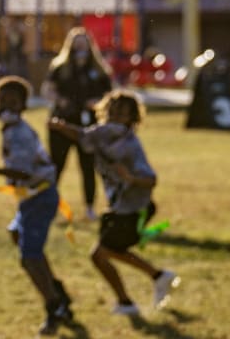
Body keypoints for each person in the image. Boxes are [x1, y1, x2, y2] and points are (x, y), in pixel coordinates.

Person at [49, 90, 178, 315]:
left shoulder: (129, 145)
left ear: (132, 119)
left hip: (133, 209)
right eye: (112, 112)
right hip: (119, 208)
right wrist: (62, 127)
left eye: (121, 115)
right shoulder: (101, 133)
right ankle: (153, 280)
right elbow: (82, 136)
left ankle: (130, 299)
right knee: (108, 253)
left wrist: (130, 178)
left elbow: (151, 179)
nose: (114, 118)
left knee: (100, 254)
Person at [0, 76, 73, 336]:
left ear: (23, 105)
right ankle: (58, 292)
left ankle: (54, 307)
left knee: (29, 258)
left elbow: (23, 172)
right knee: (16, 234)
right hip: (30, 198)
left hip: (40, 197)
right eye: (2, 100)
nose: (6, 106)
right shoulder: (11, 129)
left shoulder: (19, 132)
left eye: (13, 102)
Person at [43, 27, 112, 221]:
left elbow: (109, 95)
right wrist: (60, 100)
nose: (80, 48)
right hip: (61, 122)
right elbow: (47, 89)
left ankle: (89, 208)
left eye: (83, 43)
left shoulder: (98, 70)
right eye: (76, 43)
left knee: (88, 166)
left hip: (88, 125)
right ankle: (50, 206)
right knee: (56, 166)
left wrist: (97, 103)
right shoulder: (60, 67)